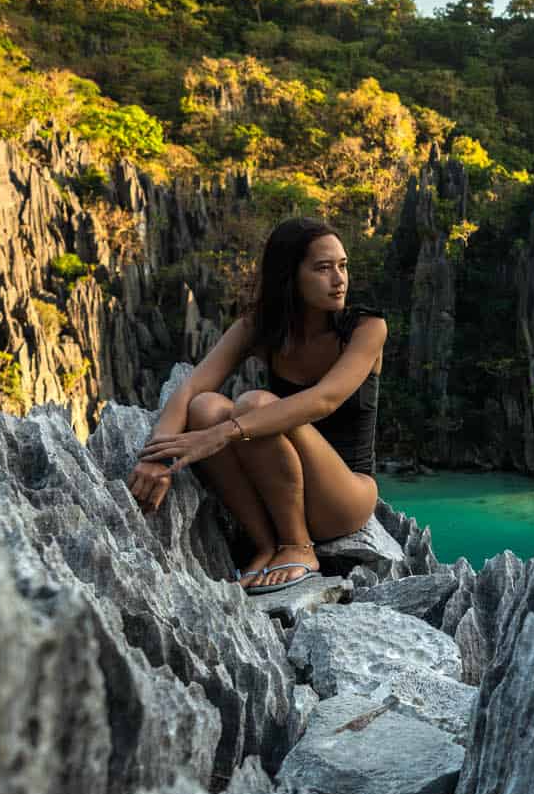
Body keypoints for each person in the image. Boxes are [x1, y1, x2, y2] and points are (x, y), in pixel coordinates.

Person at [129, 217, 386, 593]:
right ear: (290, 276)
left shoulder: (365, 328)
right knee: (203, 407)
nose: (339, 279)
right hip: (279, 492)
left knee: (252, 406)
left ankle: (299, 546)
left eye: (342, 266)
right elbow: (189, 389)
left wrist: (223, 435)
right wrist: (157, 456)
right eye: (323, 268)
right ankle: (268, 544)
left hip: (344, 496)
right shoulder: (259, 327)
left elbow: (324, 399)